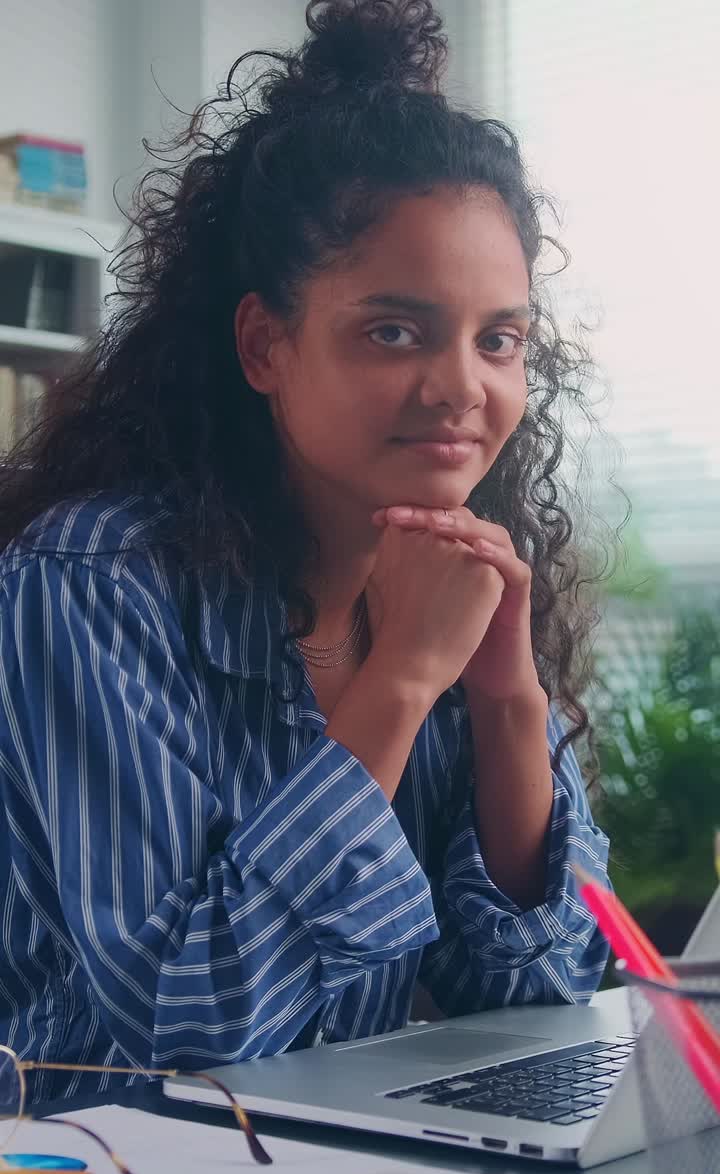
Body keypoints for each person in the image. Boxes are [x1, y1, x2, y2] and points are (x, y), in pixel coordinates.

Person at [0, 0, 611, 1104]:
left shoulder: (452, 586)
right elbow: (191, 1031)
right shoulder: (92, 584)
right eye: (394, 330)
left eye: (500, 339)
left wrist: (507, 695)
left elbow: (540, 995)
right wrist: (404, 682)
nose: (461, 388)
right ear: (264, 343)